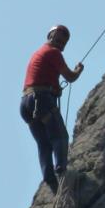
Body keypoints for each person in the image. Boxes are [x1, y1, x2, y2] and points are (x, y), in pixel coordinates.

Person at [21, 24, 84, 193]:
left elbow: (46, 82)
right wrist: (78, 71)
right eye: (58, 38)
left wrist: (54, 90)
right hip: (40, 100)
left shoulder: (39, 54)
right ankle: (61, 170)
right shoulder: (53, 53)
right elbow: (70, 77)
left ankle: (50, 180)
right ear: (50, 36)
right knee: (60, 136)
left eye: (63, 42)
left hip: (26, 103)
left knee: (44, 144)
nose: (61, 43)